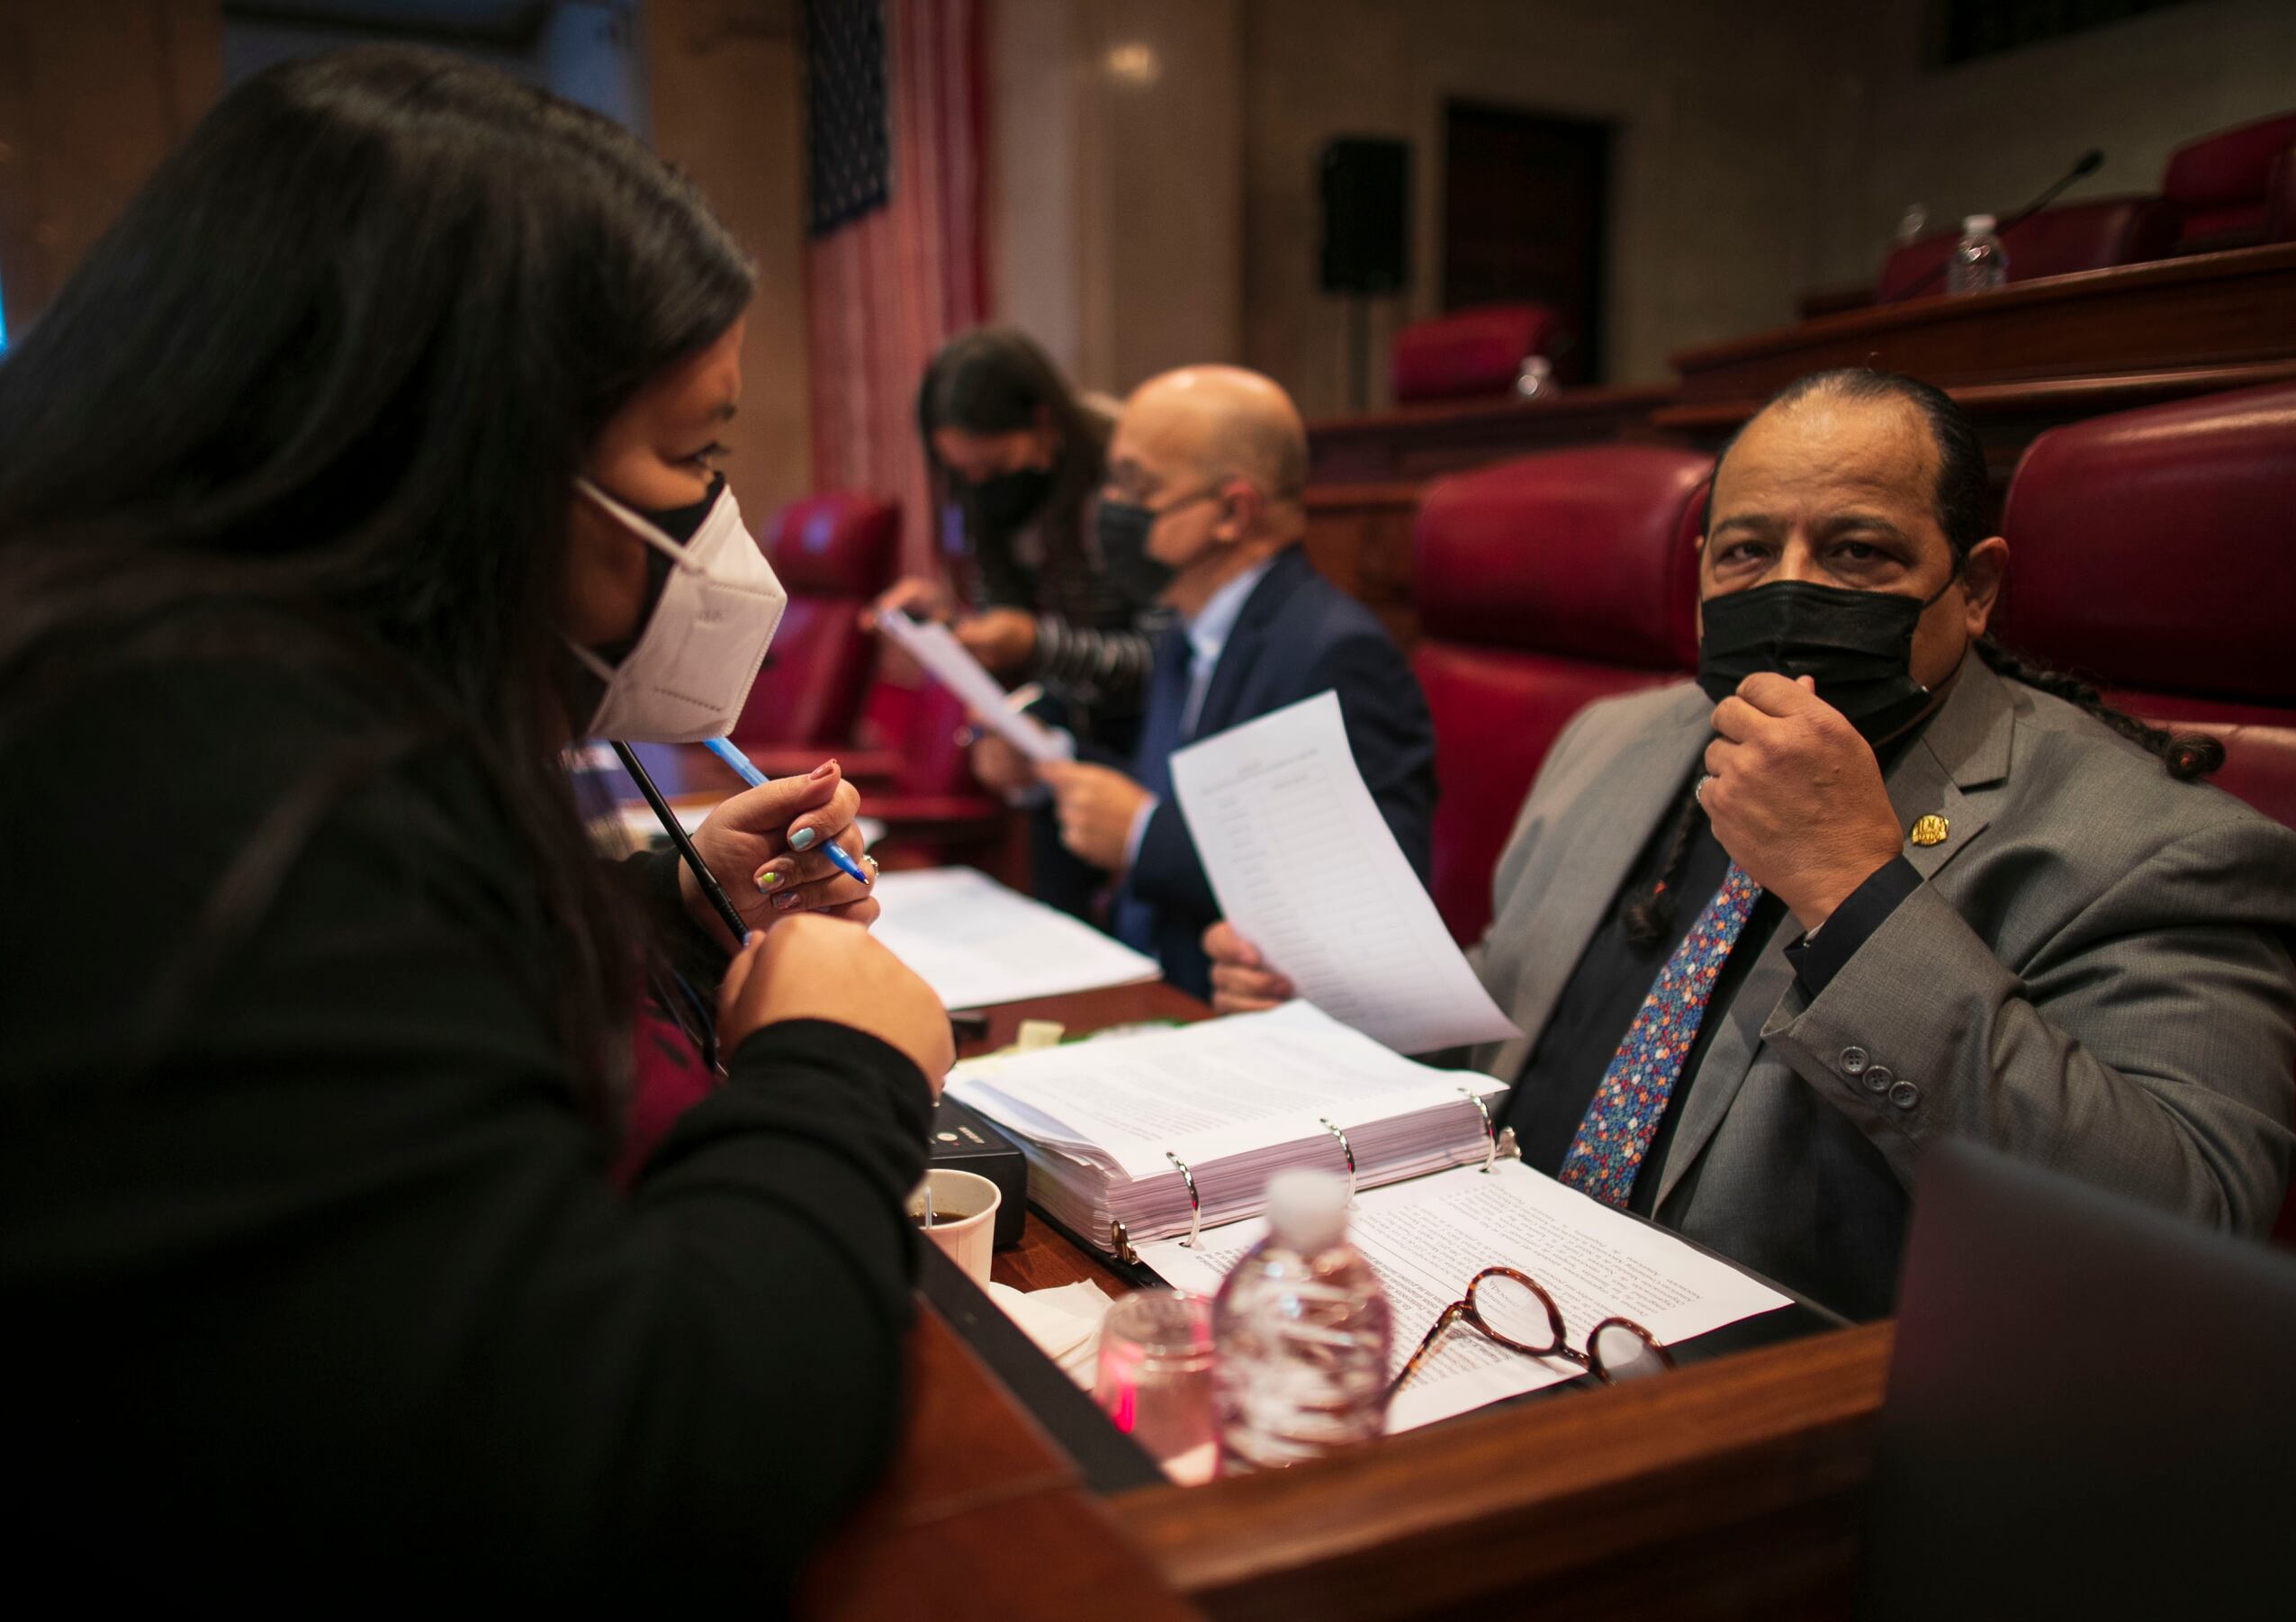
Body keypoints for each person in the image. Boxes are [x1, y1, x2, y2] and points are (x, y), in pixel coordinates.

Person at [0, 49, 953, 1604]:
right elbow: (638, 1462)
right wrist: (835, 1068)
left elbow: (368, 1023)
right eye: (692, 459)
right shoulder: (201, 777)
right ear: (462, 444)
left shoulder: (162, 676)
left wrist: (651, 900)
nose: (716, 529)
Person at [1207, 369, 2296, 1320]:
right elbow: (1497, 1035)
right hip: (1474, 1279)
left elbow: (2176, 1228)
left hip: (1780, 1404)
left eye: (1856, 551)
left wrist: (1856, 891)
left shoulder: (2162, 846)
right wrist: (1332, 1002)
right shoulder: (1613, 741)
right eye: (1745, 550)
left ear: (1972, 590)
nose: (1788, 588)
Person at [977, 365, 1435, 998]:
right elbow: (1178, 790)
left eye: (1136, 486)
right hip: (1148, 975)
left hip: (1230, 1011)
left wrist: (1140, 835)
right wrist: (1051, 766)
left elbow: (1366, 901)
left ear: (1231, 511)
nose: (1109, 507)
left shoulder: (1335, 653)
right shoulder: (1187, 627)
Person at [881, 327, 1163, 914]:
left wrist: (1035, 645)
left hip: (1146, 744)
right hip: (1061, 740)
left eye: (991, 466)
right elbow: (1003, 616)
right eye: (965, 474)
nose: (980, 486)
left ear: (1041, 423)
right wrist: (952, 626)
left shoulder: (1122, 483)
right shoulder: (985, 499)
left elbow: (1164, 661)